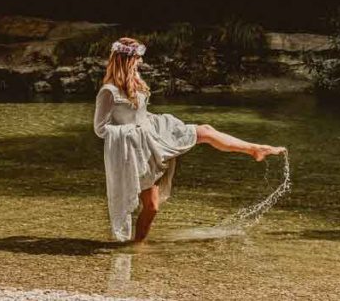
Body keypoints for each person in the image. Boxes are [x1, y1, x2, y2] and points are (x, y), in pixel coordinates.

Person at [94, 37, 285, 242]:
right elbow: (100, 129)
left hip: (154, 136)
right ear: (126, 59)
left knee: (205, 131)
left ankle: (255, 149)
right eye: (138, 58)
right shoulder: (108, 92)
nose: (141, 62)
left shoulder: (136, 82)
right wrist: (134, 131)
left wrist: (151, 124)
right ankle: (135, 246)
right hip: (136, 149)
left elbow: (140, 113)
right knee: (152, 206)